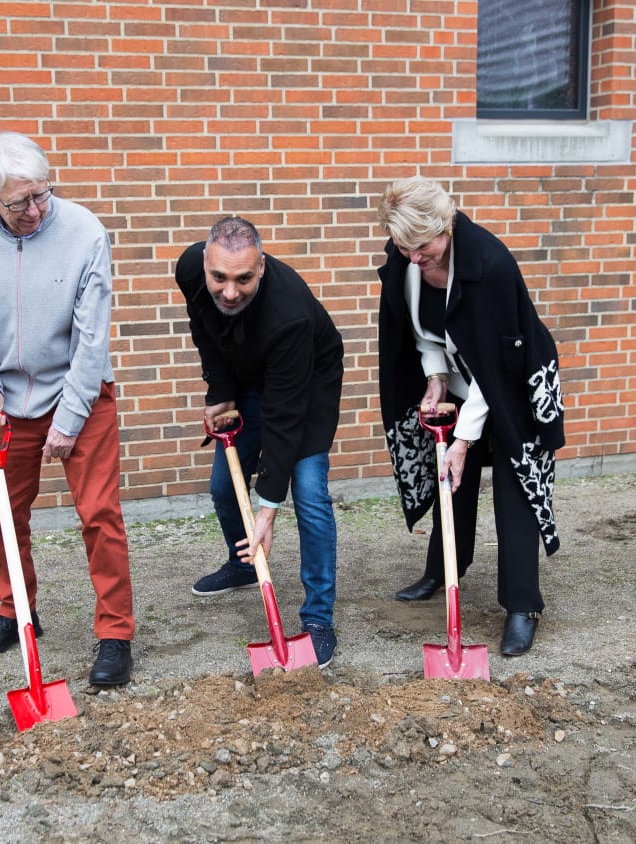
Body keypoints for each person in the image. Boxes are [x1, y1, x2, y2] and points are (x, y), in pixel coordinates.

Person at [376, 176, 565, 656]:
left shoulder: (491, 266)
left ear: (447, 226)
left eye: (423, 246)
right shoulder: (408, 259)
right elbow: (422, 335)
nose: (413, 257)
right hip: (462, 379)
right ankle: (443, 570)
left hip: (512, 384)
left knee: (513, 488)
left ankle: (523, 606)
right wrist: (436, 378)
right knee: (450, 483)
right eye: (404, 246)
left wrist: (464, 440)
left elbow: (496, 373)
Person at [0, 131, 135, 684]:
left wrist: (69, 420)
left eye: (42, 194)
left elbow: (91, 339)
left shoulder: (84, 232)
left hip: (82, 391)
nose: (35, 209)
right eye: (20, 201)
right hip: (9, 400)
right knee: (1, 515)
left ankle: (115, 633)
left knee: (99, 514)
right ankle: (15, 610)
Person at [175, 216, 344, 668]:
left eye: (244, 278)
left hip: (305, 381)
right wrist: (220, 391)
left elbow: (285, 418)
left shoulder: (288, 312)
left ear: (262, 267)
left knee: (307, 492)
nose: (230, 291)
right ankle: (245, 564)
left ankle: (318, 618)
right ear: (206, 263)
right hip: (248, 372)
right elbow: (205, 332)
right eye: (220, 277)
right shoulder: (191, 268)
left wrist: (267, 508)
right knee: (221, 487)